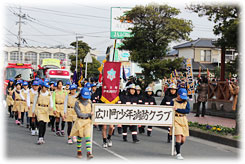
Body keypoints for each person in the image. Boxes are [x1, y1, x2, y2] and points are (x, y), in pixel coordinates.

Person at [70, 87, 94, 159]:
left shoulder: (90, 102)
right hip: (80, 121)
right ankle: (79, 151)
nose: (85, 98)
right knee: (79, 137)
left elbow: (93, 111)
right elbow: (79, 114)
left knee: (88, 136)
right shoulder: (77, 103)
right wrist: (89, 114)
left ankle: (88, 153)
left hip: (87, 122)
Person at [170, 88, 190, 160]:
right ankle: (178, 154)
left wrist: (178, 109)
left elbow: (187, 111)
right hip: (175, 119)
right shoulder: (173, 101)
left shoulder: (186, 102)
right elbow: (169, 111)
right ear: (177, 95)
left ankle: (177, 146)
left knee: (183, 140)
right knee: (178, 136)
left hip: (183, 119)